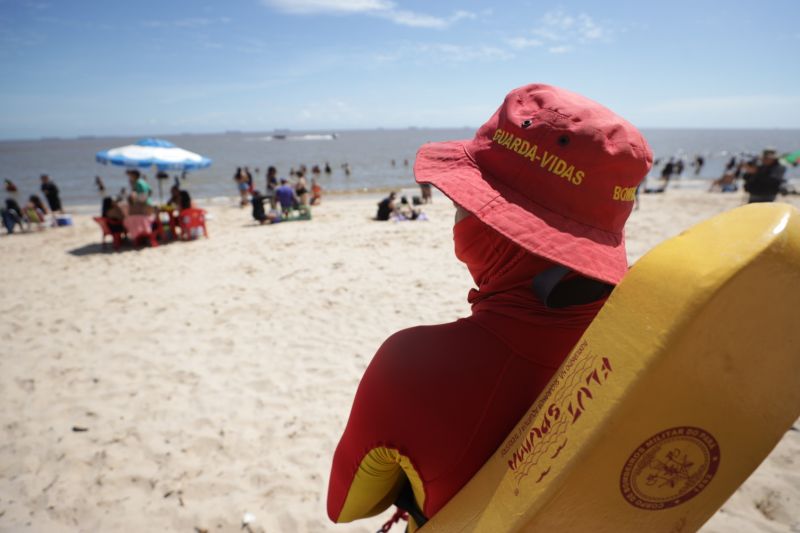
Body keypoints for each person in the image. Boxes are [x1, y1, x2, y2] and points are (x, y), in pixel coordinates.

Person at [327, 83, 653, 529]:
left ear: (496, 229)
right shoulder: (658, 335)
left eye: (464, 201)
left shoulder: (414, 365)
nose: (457, 215)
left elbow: (347, 507)